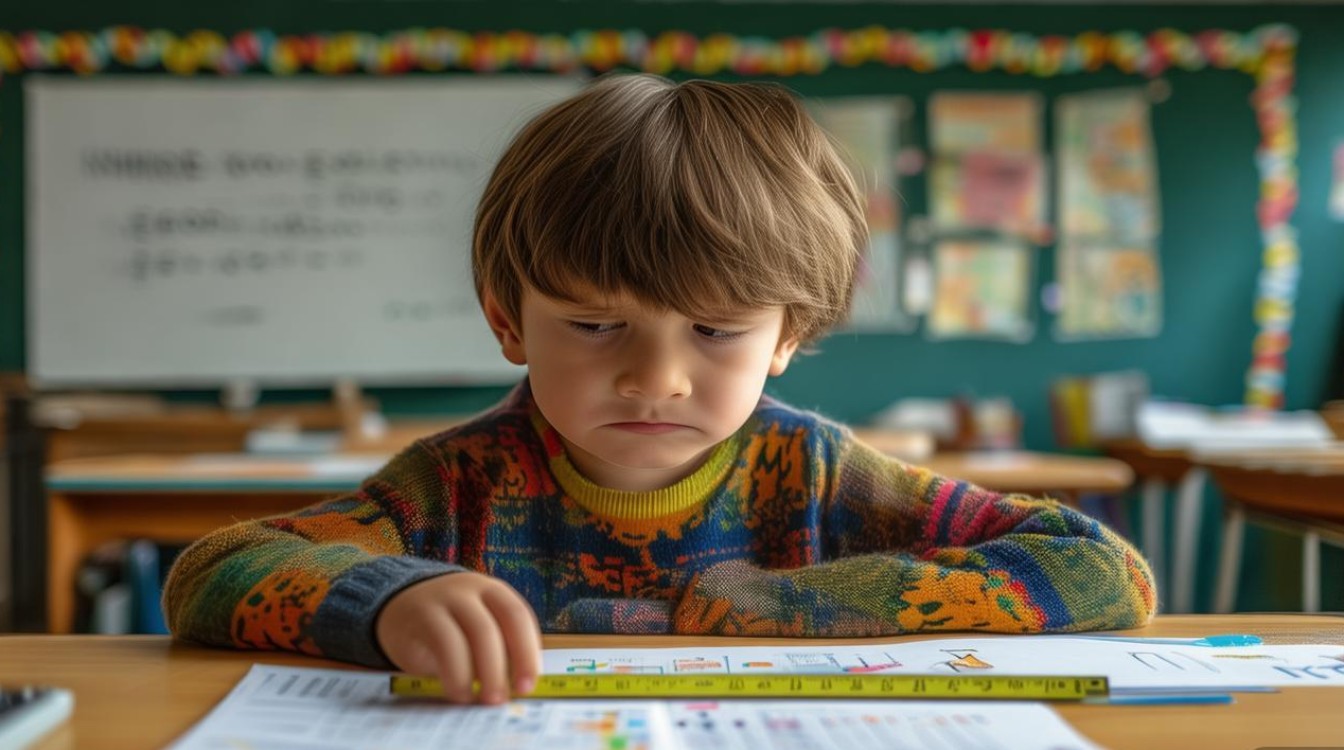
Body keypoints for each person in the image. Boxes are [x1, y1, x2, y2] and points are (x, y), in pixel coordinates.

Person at [164, 73, 1155, 706]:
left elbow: (1101, 570)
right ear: (508, 318)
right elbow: (211, 572)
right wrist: (387, 599)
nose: (656, 376)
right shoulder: (456, 487)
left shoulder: (814, 474)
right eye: (595, 326)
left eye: (717, 331)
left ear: (788, 335)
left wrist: (789, 606)